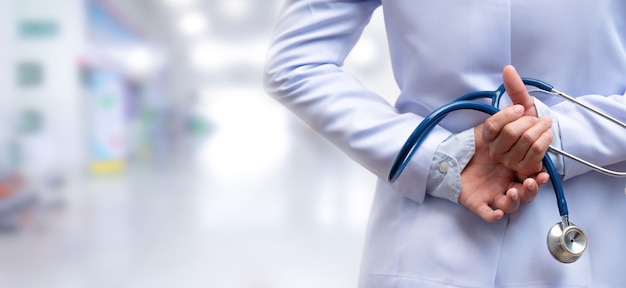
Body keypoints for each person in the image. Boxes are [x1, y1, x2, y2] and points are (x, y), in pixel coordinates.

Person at [264, 1, 626, 287]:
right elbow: (296, 64)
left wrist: (552, 138)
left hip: (594, 240)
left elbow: (294, 65)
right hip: (430, 242)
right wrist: (441, 159)